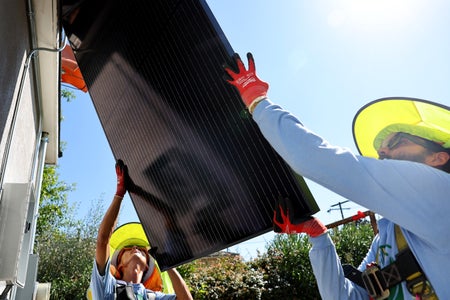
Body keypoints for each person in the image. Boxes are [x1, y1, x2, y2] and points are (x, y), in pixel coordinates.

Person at [224, 53, 450, 299]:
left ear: (437, 157)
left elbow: (317, 159)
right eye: (382, 150)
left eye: (397, 141)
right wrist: (318, 237)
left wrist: (258, 101)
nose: (383, 152)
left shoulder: (441, 194)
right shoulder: (391, 232)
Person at [89, 159, 193, 300]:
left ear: (146, 266)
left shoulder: (151, 296)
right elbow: (103, 241)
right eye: (128, 248)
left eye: (142, 250)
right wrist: (120, 193)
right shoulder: (107, 287)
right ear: (119, 265)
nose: (136, 247)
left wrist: (169, 267)